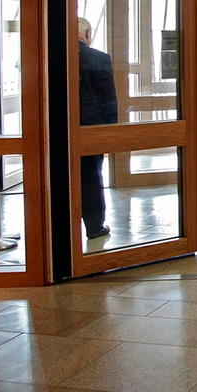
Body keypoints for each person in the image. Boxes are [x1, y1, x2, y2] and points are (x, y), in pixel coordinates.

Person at [78, 17, 118, 239]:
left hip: (57, 129)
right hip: (91, 130)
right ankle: (94, 226)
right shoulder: (99, 58)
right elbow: (108, 99)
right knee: (92, 176)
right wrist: (110, 133)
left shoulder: (53, 57)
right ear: (87, 34)